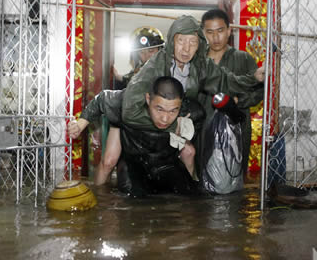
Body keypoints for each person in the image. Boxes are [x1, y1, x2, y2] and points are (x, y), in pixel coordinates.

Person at [121, 15, 266, 176]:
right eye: (181, 41)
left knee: (190, 144)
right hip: (143, 129)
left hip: (174, 128)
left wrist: (254, 78)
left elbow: (225, 82)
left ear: (200, 45)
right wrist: (171, 125)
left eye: (192, 42)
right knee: (122, 169)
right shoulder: (155, 66)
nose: (186, 49)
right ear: (172, 41)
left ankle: (191, 186)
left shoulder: (200, 64)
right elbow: (130, 111)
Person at [68, 77, 202, 197]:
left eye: (173, 111)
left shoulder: (192, 113)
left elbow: (189, 150)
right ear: (148, 99)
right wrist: (79, 124)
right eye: (159, 109)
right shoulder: (127, 104)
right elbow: (101, 100)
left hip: (165, 163)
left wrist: (184, 135)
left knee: (187, 194)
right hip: (133, 162)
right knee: (110, 164)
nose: (165, 118)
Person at [70, 27, 164, 186]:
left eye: (152, 51)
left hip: (152, 124)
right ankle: (97, 196)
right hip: (124, 116)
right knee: (108, 161)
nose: (147, 56)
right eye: (142, 52)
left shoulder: (166, 74)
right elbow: (118, 91)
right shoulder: (135, 73)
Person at [200, 8, 265, 175]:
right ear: (203, 33)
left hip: (236, 127)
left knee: (234, 173)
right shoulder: (198, 62)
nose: (215, 37)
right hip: (202, 127)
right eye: (210, 32)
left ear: (229, 31)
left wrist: (238, 101)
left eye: (220, 31)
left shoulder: (243, 58)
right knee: (203, 173)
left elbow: (259, 91)